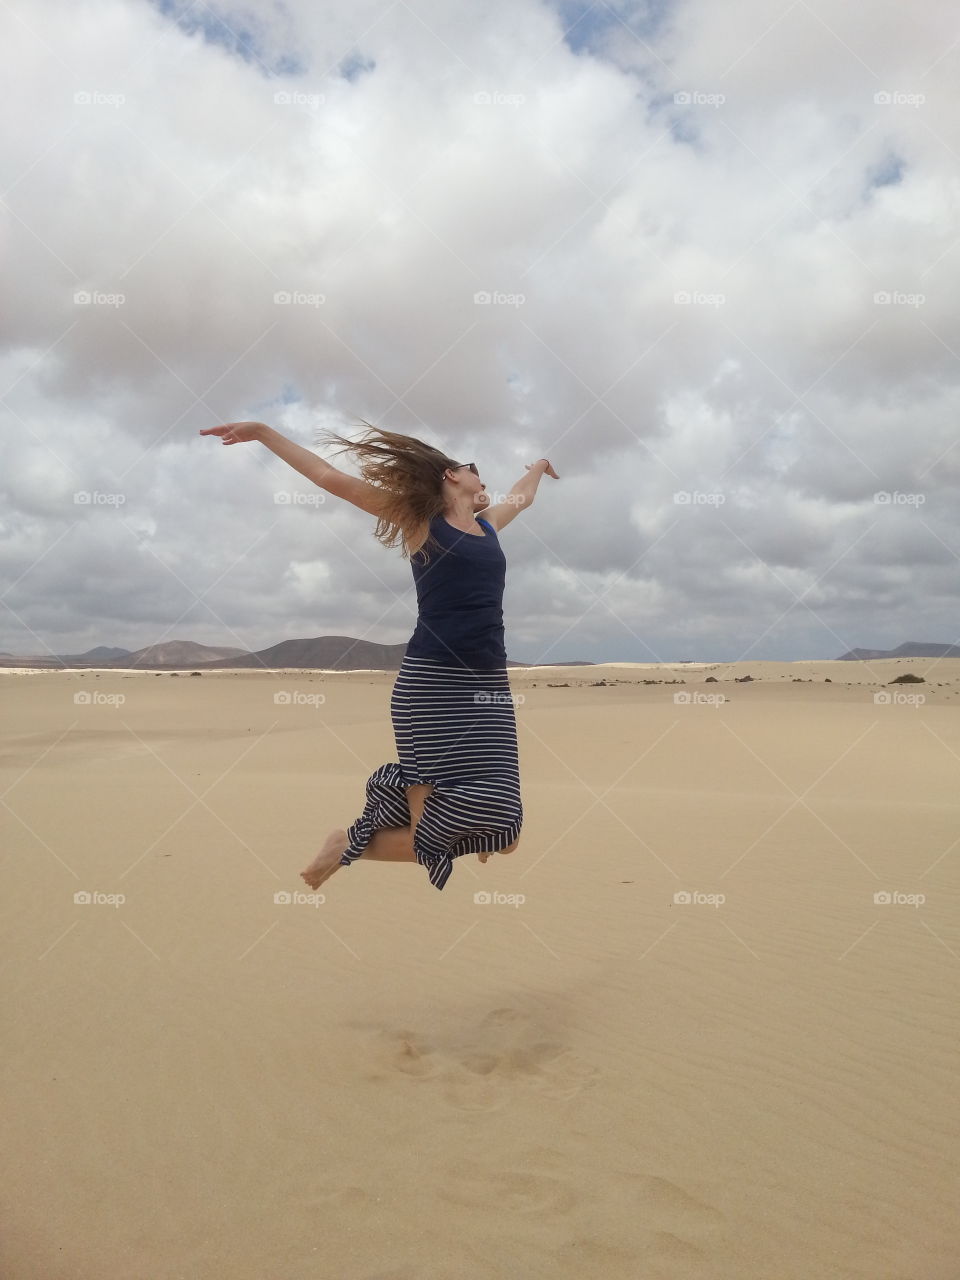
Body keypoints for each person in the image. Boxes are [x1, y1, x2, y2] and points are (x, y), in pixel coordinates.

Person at [199, 418, 559, 893]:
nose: (485, 479)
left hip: (488, 685)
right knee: (433, 831)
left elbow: (523, 496)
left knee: (507, 832)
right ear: (451, 476)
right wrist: (264, 432)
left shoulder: (488, 528)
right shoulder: (419, 524)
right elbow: (332, 480)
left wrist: (538, 467)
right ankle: (349, 843)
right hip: (431, 683)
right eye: (476, 470)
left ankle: (389, 837)